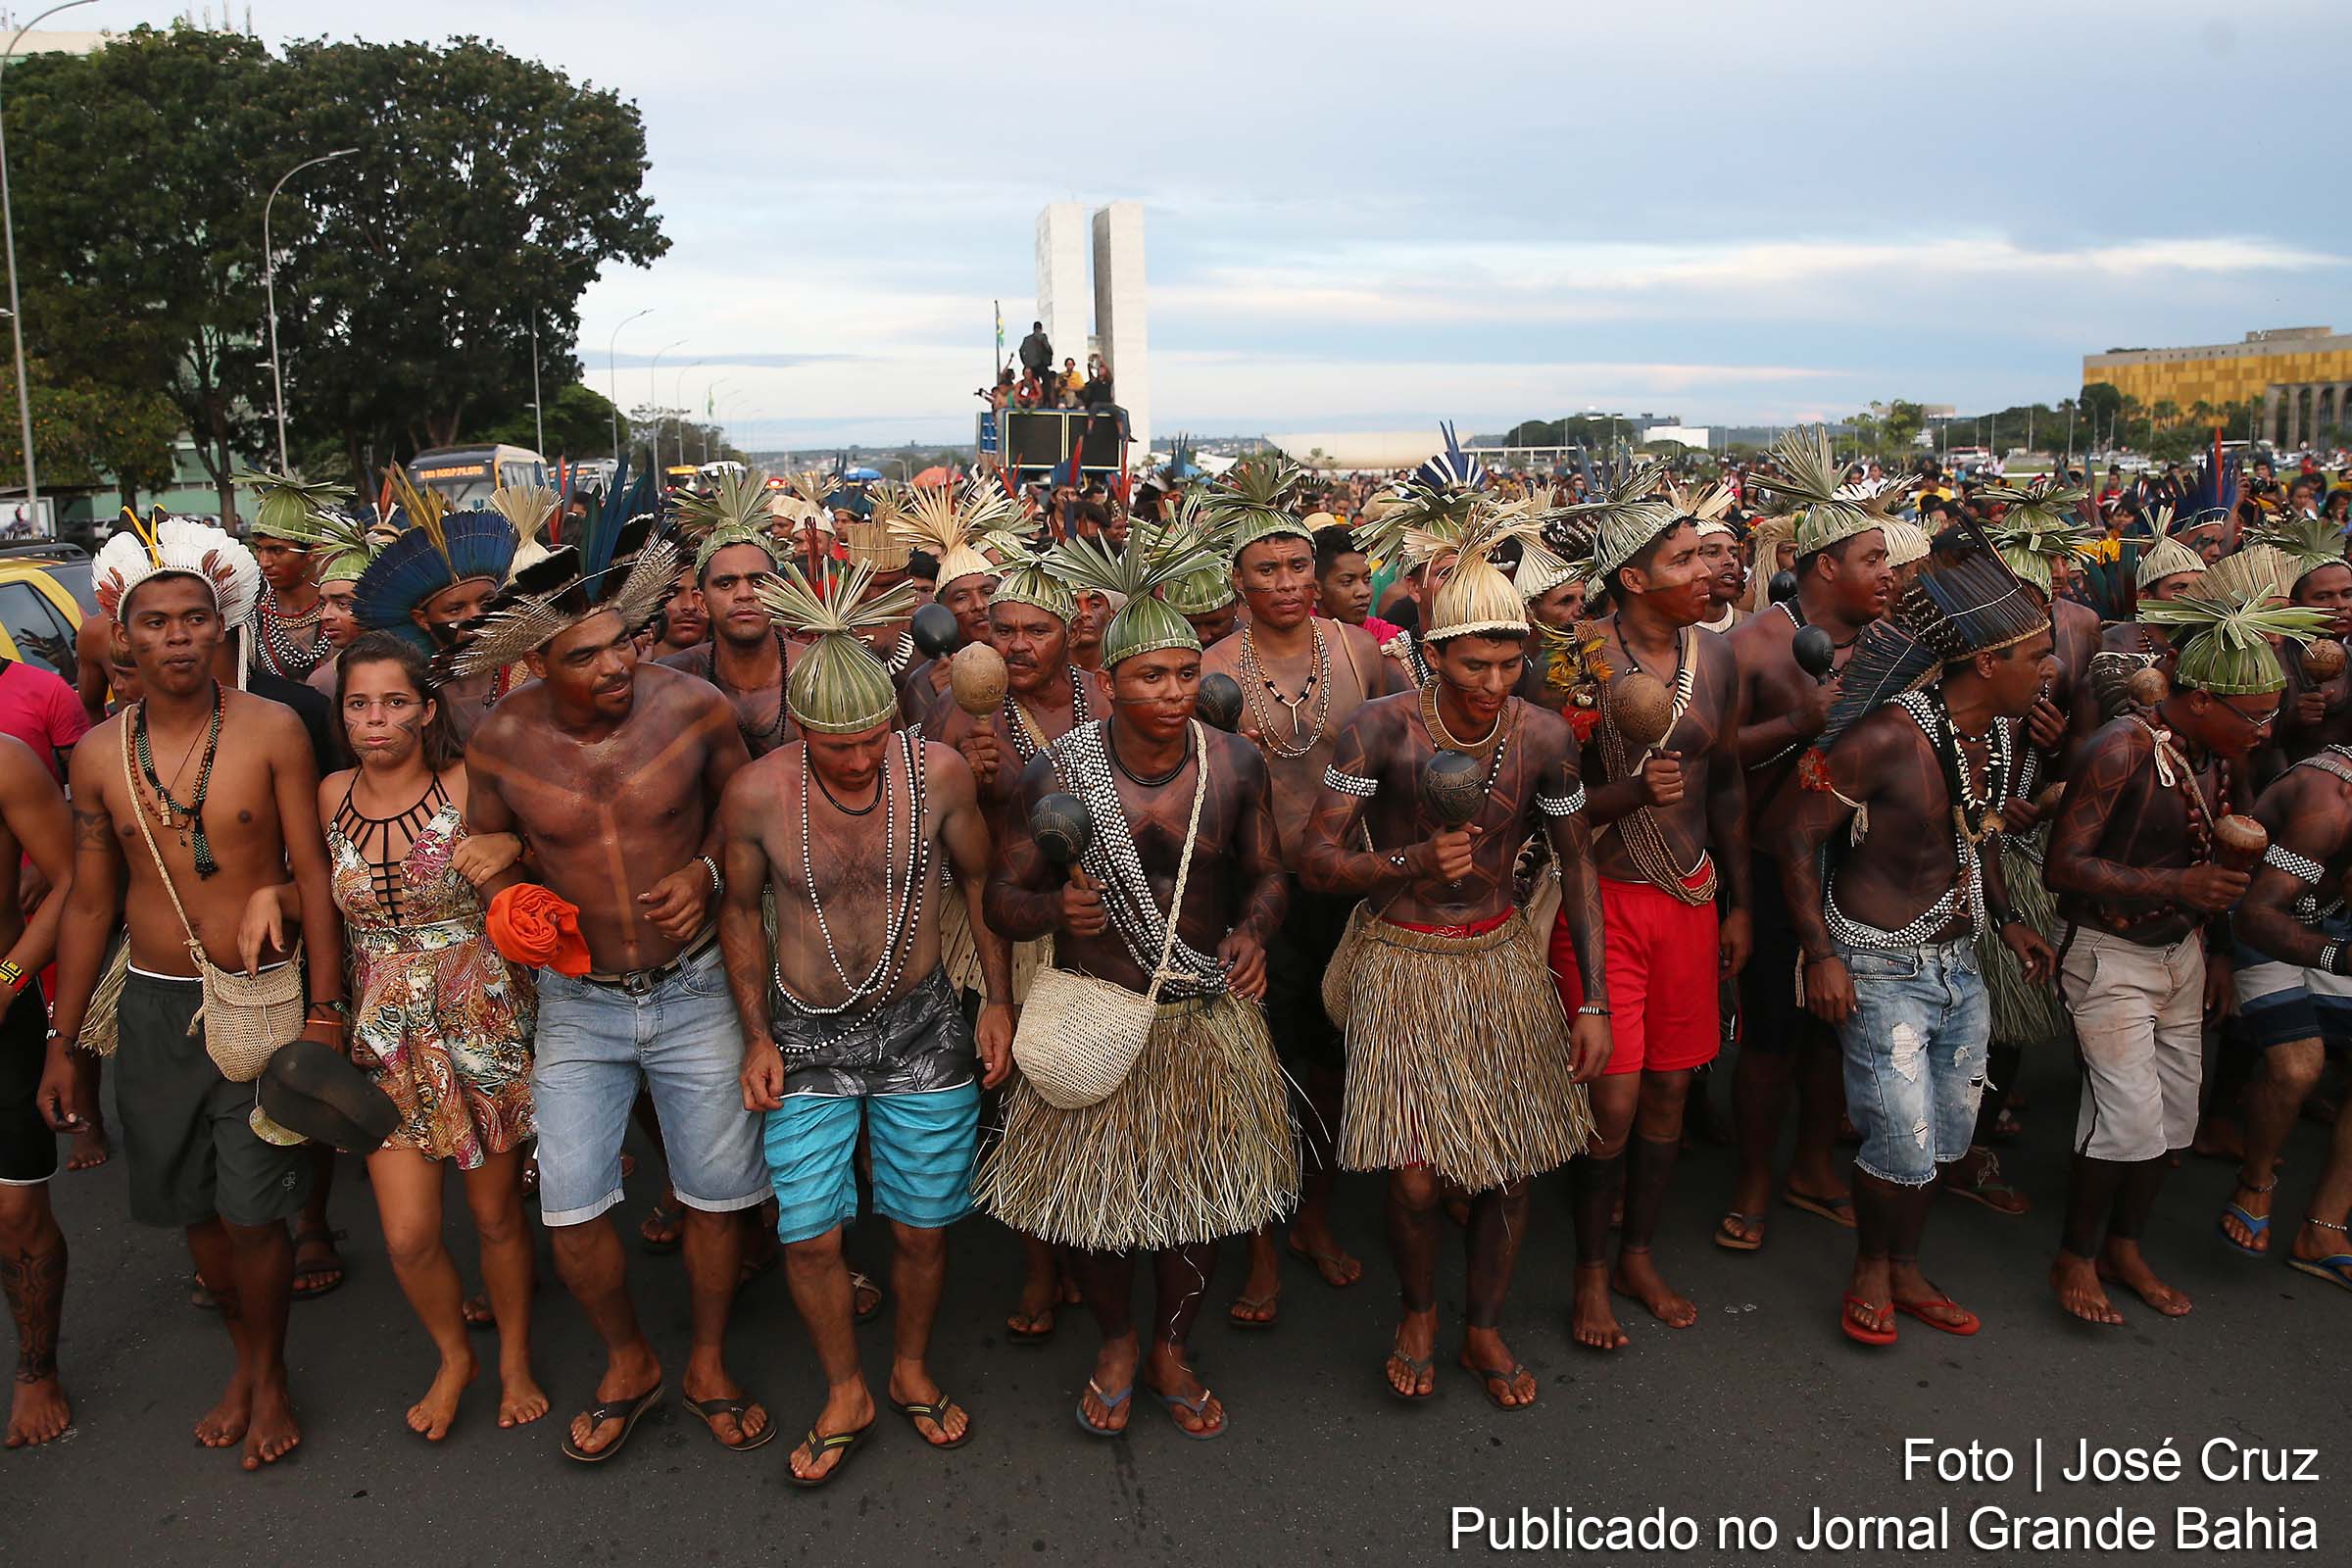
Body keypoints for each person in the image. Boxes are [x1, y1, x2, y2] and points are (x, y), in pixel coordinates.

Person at [454, 508, 769, 1463]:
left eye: (620, 643)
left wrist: (710, 874)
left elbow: (743, 814)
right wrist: (509, 897)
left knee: (718, 1194)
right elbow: (487, 855)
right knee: (574, 1203)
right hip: (580, 1003)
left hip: (697, 985)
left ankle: (709, 1360)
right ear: (537, 666)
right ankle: (628, 1360)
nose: (616, 665)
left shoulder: (696, 710)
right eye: (585, 657)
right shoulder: (501, 744)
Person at [979, 523, 1296, 1440]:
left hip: (1201, 1017)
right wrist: (1055, 917)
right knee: (1102, 1208)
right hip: (1094, 1018)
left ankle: (1169, 1346)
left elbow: (1271, 874)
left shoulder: (1233, 764)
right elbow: (1000, 898)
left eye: (1186, 675)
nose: (1172, 694)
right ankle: (1116, 1340)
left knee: (1194, 1200)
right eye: (1150, 677)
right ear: (1107, 680)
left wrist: (1252, 930)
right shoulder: (1057, 773)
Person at [45, 514, 348, 1469]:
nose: (177, 635)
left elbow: (317, 873)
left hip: (260, 1006)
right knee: (198, 1216)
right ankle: (247, 1359)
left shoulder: (273, 728)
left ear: (220, 627)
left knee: (256, 1212)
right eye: (156, 622)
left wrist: (327, 1009)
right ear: (121, 639)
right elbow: (92, 903)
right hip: (151, 1004)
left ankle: (270, 1374)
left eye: (193, 617)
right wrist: (64, 1045)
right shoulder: (97, 754)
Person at [1303, 500, 1607, 1409]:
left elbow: (1577, 861)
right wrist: (1404, 859)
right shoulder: (1379, 730)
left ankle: (1482, 1325)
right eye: (1476, 662)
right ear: (1432, 654)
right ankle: (1419, 1313)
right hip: (1402, 958)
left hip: (1501, 959)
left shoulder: (1545, 736)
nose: (1494, 680)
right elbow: (1315, 859)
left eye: (1512, 662)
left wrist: (1592, 1000)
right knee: (1415, 1173)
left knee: (1511, 1163)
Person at [726, 561, 1010, 1486]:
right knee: (808, 1235)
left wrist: (997, 999)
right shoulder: (759, 794)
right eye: (834, 743)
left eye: (872, 738)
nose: (857, 759)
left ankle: (911, 1367)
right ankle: (843, 1386)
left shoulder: (939, 776)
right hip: (804, 1031)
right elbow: (737, 912)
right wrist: (757, 1036)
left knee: (923, 1229)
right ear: (800, 726)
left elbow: (977, 883)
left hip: (923, 1025)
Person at [242, 632, 541, 1438]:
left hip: (479, 1013)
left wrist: (511, 843)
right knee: (408, 1236)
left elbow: (535, 857)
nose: (376, 721)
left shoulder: (469, 781)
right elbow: (315, 883)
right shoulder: (328, 791)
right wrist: (275, 896)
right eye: (359, 705)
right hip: (382, 1032)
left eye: (395, 703)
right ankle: (454, 1355)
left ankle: (514, 1359)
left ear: (428, 708)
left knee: (496, 1219)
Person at [1778, 540, 2056, 1346]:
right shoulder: (1887, 740)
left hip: (1960, 966)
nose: (2047, 670)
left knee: (1945, 1136)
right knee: (1899, 1141)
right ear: (1987, 661)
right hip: (1877, 967)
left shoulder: (1997, 741)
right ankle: (1872, 1267)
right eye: (2035, 657)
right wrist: (1822, 955)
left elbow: (1984, 836)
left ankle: (1905, 1264)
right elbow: (1793, 840)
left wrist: (2007, 920)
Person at [2043, 562, 2316, 1324]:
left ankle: (2125, 1246)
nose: (2265, 731)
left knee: (2172, 1120)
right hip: (2111, 951)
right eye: (2253, 716)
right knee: (2125, 1117)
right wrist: (2177, 890)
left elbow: (2220, 868)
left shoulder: (2222, 758)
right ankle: (2075, 1256)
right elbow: (2065, 867)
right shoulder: (2121, 747)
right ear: (2199, 700)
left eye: (2270, 716)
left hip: (2184, 956)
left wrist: (2219, 944)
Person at [1545, 496, 1749, 1349]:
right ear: (1632, 579)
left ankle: (1637, 1254)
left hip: (1694, 901)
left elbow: (1728, 781)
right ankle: (1588, 1276)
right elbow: (1545, 803)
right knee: (1614, 1103)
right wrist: (1626, 793)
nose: (1709, 571)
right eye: (1685, 559)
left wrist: (1739, 901)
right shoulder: (1573, 658)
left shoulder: (1721, 657)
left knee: (1672, 1087)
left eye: (1707, 555)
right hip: (1603, 903)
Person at [1200, 468, 1396, 1327]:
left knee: (1331, 1064)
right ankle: (1260, 1249)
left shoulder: (1360, 653)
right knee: (1261, 1073)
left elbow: (1403, 756)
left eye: (1296, 567)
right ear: (1238, 583)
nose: (1285, 583)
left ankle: (1313, 1220)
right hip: (1255, 899)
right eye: (1266, 570)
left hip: (1346, 890)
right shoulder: (1210, 671)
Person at [918, 540, 1099, 1342]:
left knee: (1094, 1087)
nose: (1017, 644)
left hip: (1103, 916)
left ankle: (1095, 1236)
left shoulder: (1106, 694)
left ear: (1071, 630)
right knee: (1021, 1095)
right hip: (1006, 920)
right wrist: (970, 777)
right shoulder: (963, 710)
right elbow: (959, 856)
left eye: (1037, 629)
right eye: (1002, 628)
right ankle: (1036, 1262)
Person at [1719, 430, 1893, 1251]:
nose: (1889, 576)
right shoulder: (1750, 646)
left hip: (1862, 865)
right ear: (1826, 565)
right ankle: (1752, 1180)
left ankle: (1814, 1165)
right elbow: (1713, 760)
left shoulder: (1896, 649)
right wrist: (1798, 723)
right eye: (1874, 560)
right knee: (1772, 1038)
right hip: (1767, 858)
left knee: (1841, 1028)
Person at [2228, 715, 2352, 1290]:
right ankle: (2256, 1180)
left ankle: (2324, 1225)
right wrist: (2338, 958)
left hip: (2329, 932)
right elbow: (2258, 915)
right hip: (2265, 931)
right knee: (2299, 1066)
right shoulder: (2329, 802)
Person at [0, 735, 77, 1446]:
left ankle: (35, 1369)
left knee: (15, 1211)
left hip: (0, 1014)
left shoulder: (5, 761)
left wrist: (5, 981)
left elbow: (72, 881)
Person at [350, 471, 525, 745]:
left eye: (487, 602)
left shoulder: (529, 672)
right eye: (456, 610)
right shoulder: (408, 686)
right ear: (422, 619)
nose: (475, 617)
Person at [662, 475, 799, 759]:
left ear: (779, 591)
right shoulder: (670, 682)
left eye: (758, 581)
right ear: (701, 601)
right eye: (726, 583)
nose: (744, 594)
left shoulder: (817, 672)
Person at [890, 486, 1007, 724]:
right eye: (962, 597)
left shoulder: (1020, 664)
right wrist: (941, 701)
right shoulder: (924, 681)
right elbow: (918, 753)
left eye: (987, 592)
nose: (978, 605)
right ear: (940, 611)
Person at [240, 469, 342, 684]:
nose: (264, 562)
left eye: (277, 551)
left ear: (312, 552)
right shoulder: (250, 620)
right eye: (259, 549)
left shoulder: (341, 614)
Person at [1314, 523, 1405, 649]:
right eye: (1347, 581)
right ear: (1316, 589)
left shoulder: (1391, 639)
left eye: (1367, 579)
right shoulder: (1295, 639)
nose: (1363, 592)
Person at [1017, 320, 1053, 395]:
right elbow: (1048, 348)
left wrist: (1025, 363)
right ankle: (1045, 399)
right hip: (1041, 364)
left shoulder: (1026, 339)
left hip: (1030, 366)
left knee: (1033, 384)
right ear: (1041, 328)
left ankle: (1035, 398)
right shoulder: (1043, 336)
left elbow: (1021, 351)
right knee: (1047, 382)